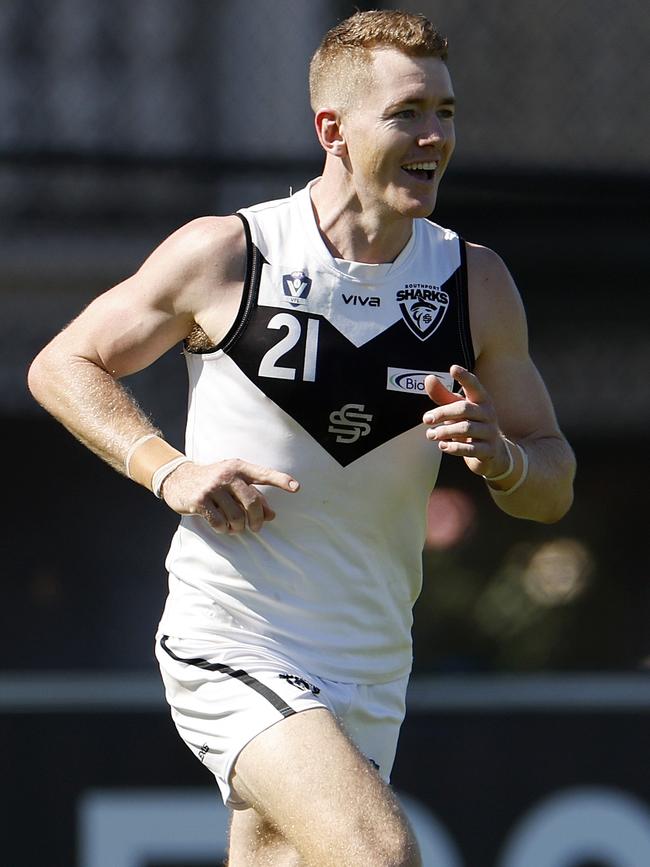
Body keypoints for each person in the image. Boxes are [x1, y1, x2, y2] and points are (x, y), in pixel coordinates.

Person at [28, 9, 576, 866]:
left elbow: (554, 478)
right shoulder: (229, 254)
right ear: (334, 129)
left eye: (447, 113)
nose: (435, 135)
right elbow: (65, 363)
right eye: (408, 114)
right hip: (232, 637)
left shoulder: (474, 283)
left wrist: (502, 456)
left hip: (372, 660)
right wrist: (167, 469)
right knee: (381, 850)